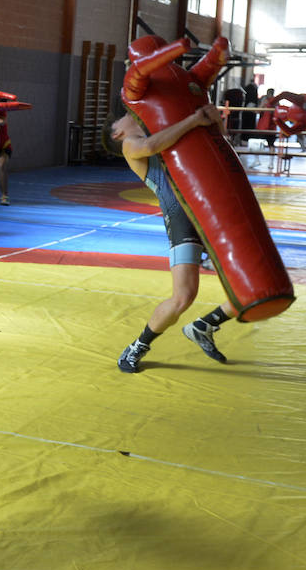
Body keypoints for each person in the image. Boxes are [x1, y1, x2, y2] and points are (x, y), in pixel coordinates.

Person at [103, 102, 240, 373]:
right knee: (183, 297)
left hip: (211, 214)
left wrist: (214, 122)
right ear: (117, 134)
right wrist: (193, 119)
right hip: (182, 221)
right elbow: (151, 147)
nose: (130, 115)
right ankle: (136, 347)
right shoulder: (131, 145)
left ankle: (205, 326)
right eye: (123, 118)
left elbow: (218, 145)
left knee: (250, 286)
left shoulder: (168, 130)